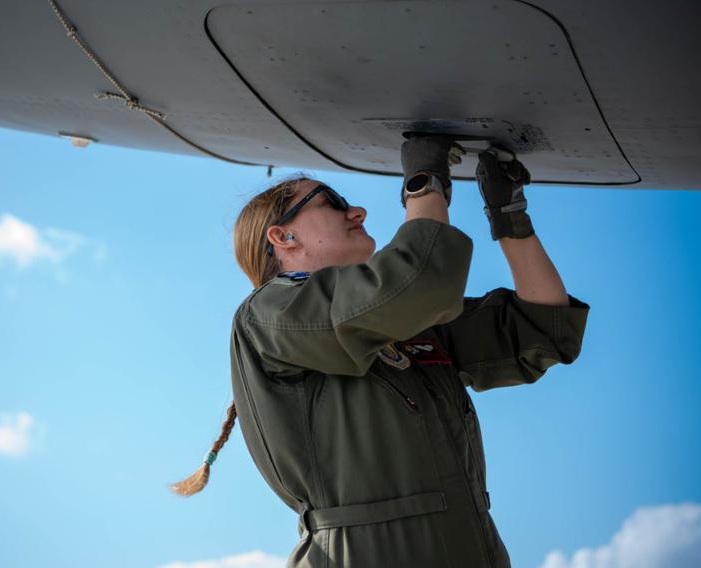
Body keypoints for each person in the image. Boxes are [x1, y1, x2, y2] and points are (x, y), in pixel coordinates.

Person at [170, 136, 590, 567]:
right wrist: (425, 185)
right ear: (283, 236)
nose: (357, 212)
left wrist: (509, 218)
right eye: (330, 202)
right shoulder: (269, 312)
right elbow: (411, 282)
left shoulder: (405, 324)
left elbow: (541, 328)